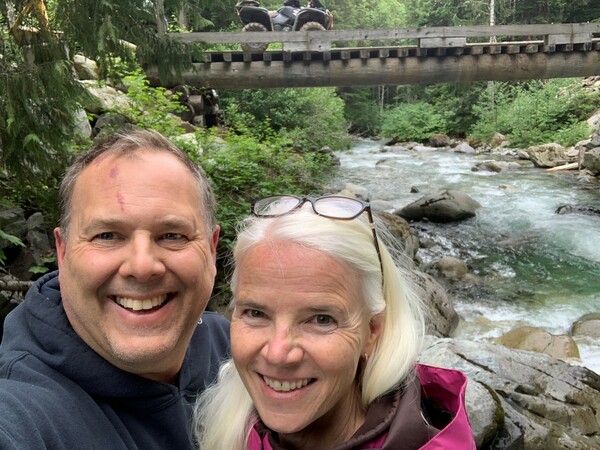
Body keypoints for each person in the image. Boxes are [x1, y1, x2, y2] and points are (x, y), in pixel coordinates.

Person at [0, 130, 230, 449]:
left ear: (211, 249)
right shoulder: (23, 410)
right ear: (63, 253)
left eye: (173, 235)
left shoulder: (234, 346)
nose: (141, 266)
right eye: (107, 236)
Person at [193, 195, 475, 450]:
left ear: (372, 331)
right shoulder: (230, 422)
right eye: (256, 313)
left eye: (321, 320)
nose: (277, 354)